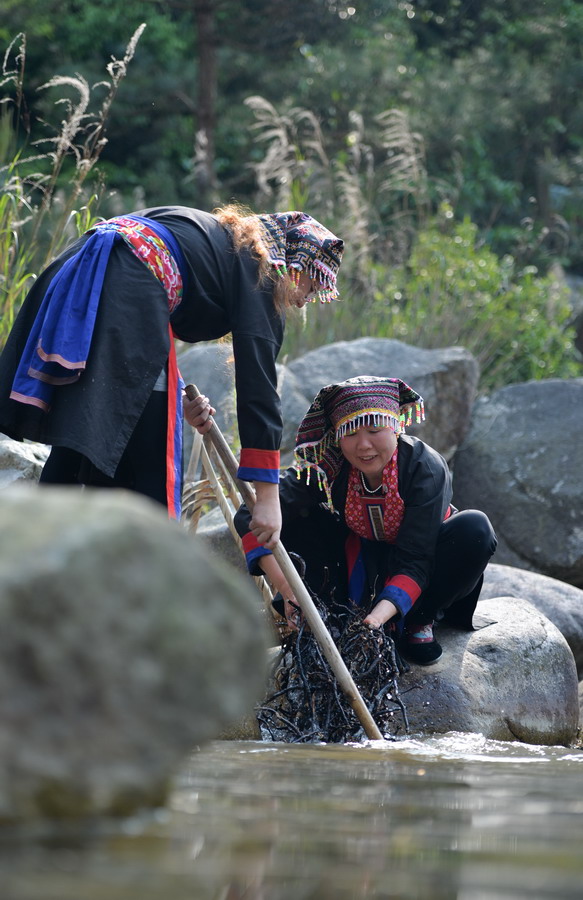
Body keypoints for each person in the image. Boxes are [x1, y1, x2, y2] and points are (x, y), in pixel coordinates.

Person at [0, 205, 344, 533]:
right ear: (294, 265)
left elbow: (153, 332)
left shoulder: (218, 242)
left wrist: (176, 395)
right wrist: (268, 499)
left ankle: (34, 544)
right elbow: (259, 384)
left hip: (79, 272)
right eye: (311, 287)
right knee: (146, 462)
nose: (303, 301)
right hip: (121, 285)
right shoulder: (263, 268)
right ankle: (145, 564)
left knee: (85, 430)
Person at [234, 375, 497, 665]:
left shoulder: (426, 468)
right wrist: (287, 589)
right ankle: (320, 607)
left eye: (375, 430)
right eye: (350, 433)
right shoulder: (327, 468)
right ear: (336, 435)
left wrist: (375, 622)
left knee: (475, 529)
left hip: (426, 563)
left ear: (396, 426)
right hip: (361, 562)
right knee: (284, 516)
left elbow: (415, 559)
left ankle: (419, 620)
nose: (363, 445)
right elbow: (250, 514)